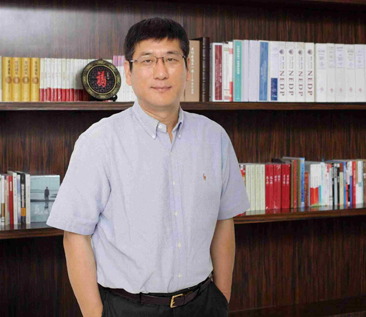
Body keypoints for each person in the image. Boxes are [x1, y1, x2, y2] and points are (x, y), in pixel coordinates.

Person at [47, 17, 250, 317]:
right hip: (128, 307)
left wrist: (222, 298)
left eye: (171, 59)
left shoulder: (214, 137)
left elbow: (224, 221)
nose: (161, 72)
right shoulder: (99, 141)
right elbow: (75, 235)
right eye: (147, 60)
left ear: (187, 69)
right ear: (128, 72)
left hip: (203, 303)